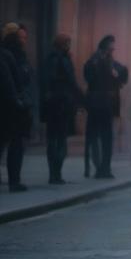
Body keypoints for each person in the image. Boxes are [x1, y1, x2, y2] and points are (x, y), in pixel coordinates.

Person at [83, 35, 128, 179]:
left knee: (107, 138)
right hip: (97, 104)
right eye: (111, 47)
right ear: (105, 47)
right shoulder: (94, 61)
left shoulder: (111, 62)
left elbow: (123, 73)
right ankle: (99, 167)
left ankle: (105, 168)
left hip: (108, 105)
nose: (113, 49)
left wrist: (118, 75)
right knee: (95, 138)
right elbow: (89, 76)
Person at [42, 33, 83, 185]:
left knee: (56, 140)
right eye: (67, 43)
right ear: (61, 45)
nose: (69, 46)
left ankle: (55, 174)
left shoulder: (56, 58)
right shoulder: (59, 59)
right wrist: (82, 99)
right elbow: (70, 82)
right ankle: (55, 174)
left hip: (58, 104)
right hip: (60, 104)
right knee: (58, 141)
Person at [0, 23, 35, 192]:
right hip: (12, 107)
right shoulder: (8, 55)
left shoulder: (18, 55)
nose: (23, 41)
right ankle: (14, 181)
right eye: (19, 37)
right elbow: (10, 82)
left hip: (11, 105)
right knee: (16, 144)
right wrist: (19, 102)